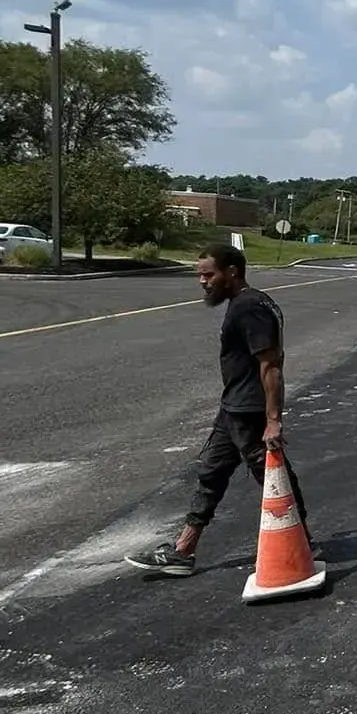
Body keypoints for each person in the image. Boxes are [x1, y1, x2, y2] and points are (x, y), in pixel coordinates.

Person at [126, 243, 312, 578]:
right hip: (233, 408)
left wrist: (273, 420)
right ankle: (183, 551)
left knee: (271, 476)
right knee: (210, 473)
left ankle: (303, 541)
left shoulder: (249, 308)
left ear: (232, 271)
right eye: (200, 275)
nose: (203, 281)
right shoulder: (246, 302)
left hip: (250, 410)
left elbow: (271, 366)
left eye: (208, 274)